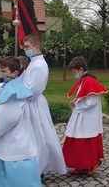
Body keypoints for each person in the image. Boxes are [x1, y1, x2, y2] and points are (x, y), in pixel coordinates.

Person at [20, 34, 67, 174]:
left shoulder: (39, 65)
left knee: (39, 136)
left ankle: (38, 169)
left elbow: (34, 90)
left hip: (34, 104)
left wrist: (18, 94)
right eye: (24, 47)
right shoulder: (33, 62)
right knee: (33, 136)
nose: (25, 50)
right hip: (29, 103)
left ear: (37, 47)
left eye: (27, 47)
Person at [0, 56, 41, 186]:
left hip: (14, 149)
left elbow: (5, 122)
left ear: (14, 73)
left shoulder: (12, 94)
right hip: (12, 145)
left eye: (3, 71)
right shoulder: (11, 86)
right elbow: (1, 109)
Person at [63, 56, 107, 175]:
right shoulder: (84, 80)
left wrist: (76, 103)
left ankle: (92, 163)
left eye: (74, 71)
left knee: (86, 142)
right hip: (81, 116)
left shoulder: (90, 81)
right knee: (76, 141)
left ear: (81, 69)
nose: (73, 74)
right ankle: (80, 165)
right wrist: (77, 102)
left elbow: (92, 101)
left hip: (87, 118)